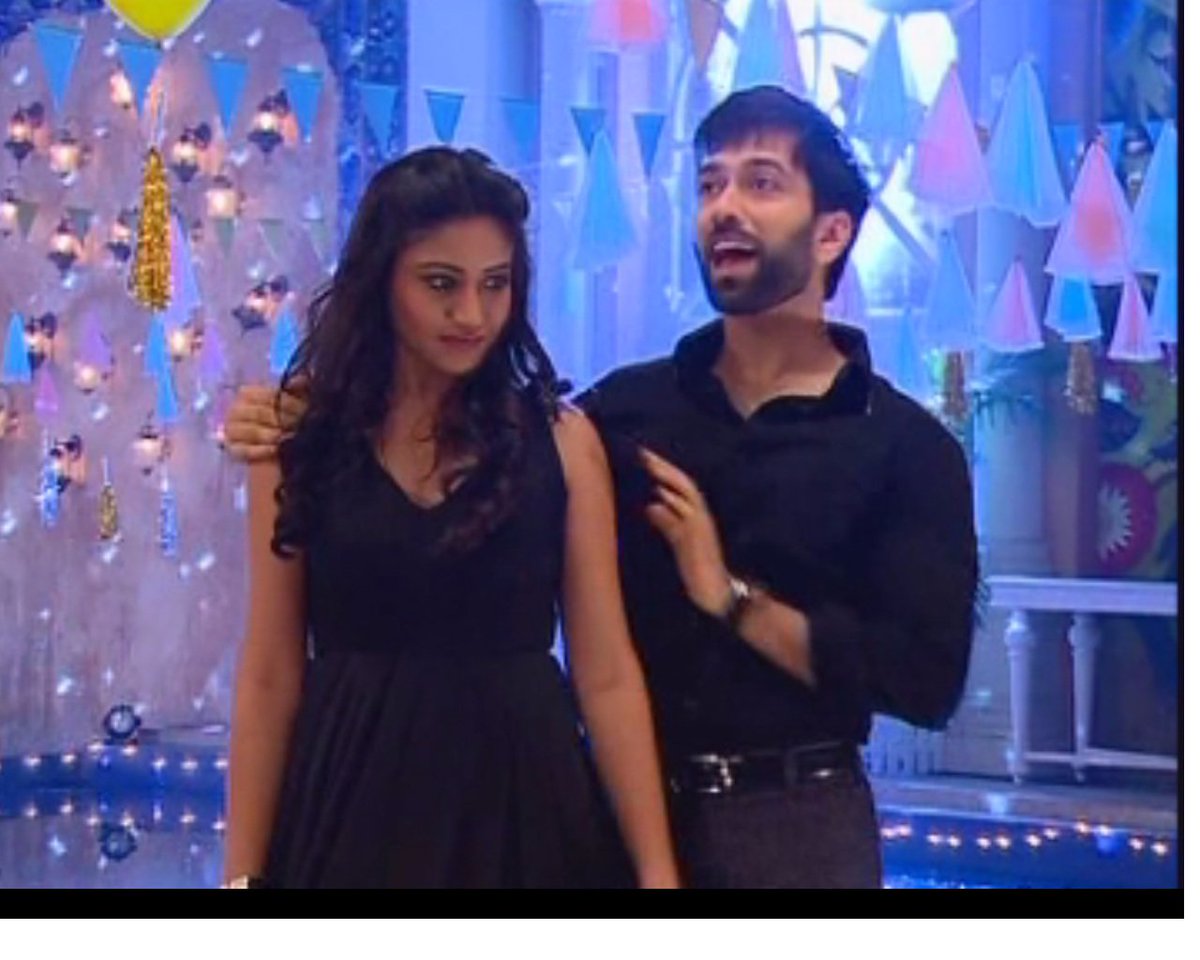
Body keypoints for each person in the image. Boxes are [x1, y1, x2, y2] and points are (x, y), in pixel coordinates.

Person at [225, 87, 979, 889]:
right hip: (590, 802)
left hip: (792, 813)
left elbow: (924, 681)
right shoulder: (621, 414)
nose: (725, 206)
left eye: (761, 183)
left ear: (833, 231)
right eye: (710, 183)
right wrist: (283, 414)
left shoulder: (905, 448)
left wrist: (730, 597)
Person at [221, 146, 679, 889]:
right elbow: (271, 674)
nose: (472, 314)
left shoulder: (563, 442)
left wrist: (658, 874)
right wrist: (240, 878)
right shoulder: (296, 438)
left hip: (525, 803)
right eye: (441, 283)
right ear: (381, 281)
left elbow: (606, 675)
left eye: (495, 284)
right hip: (351, 799)